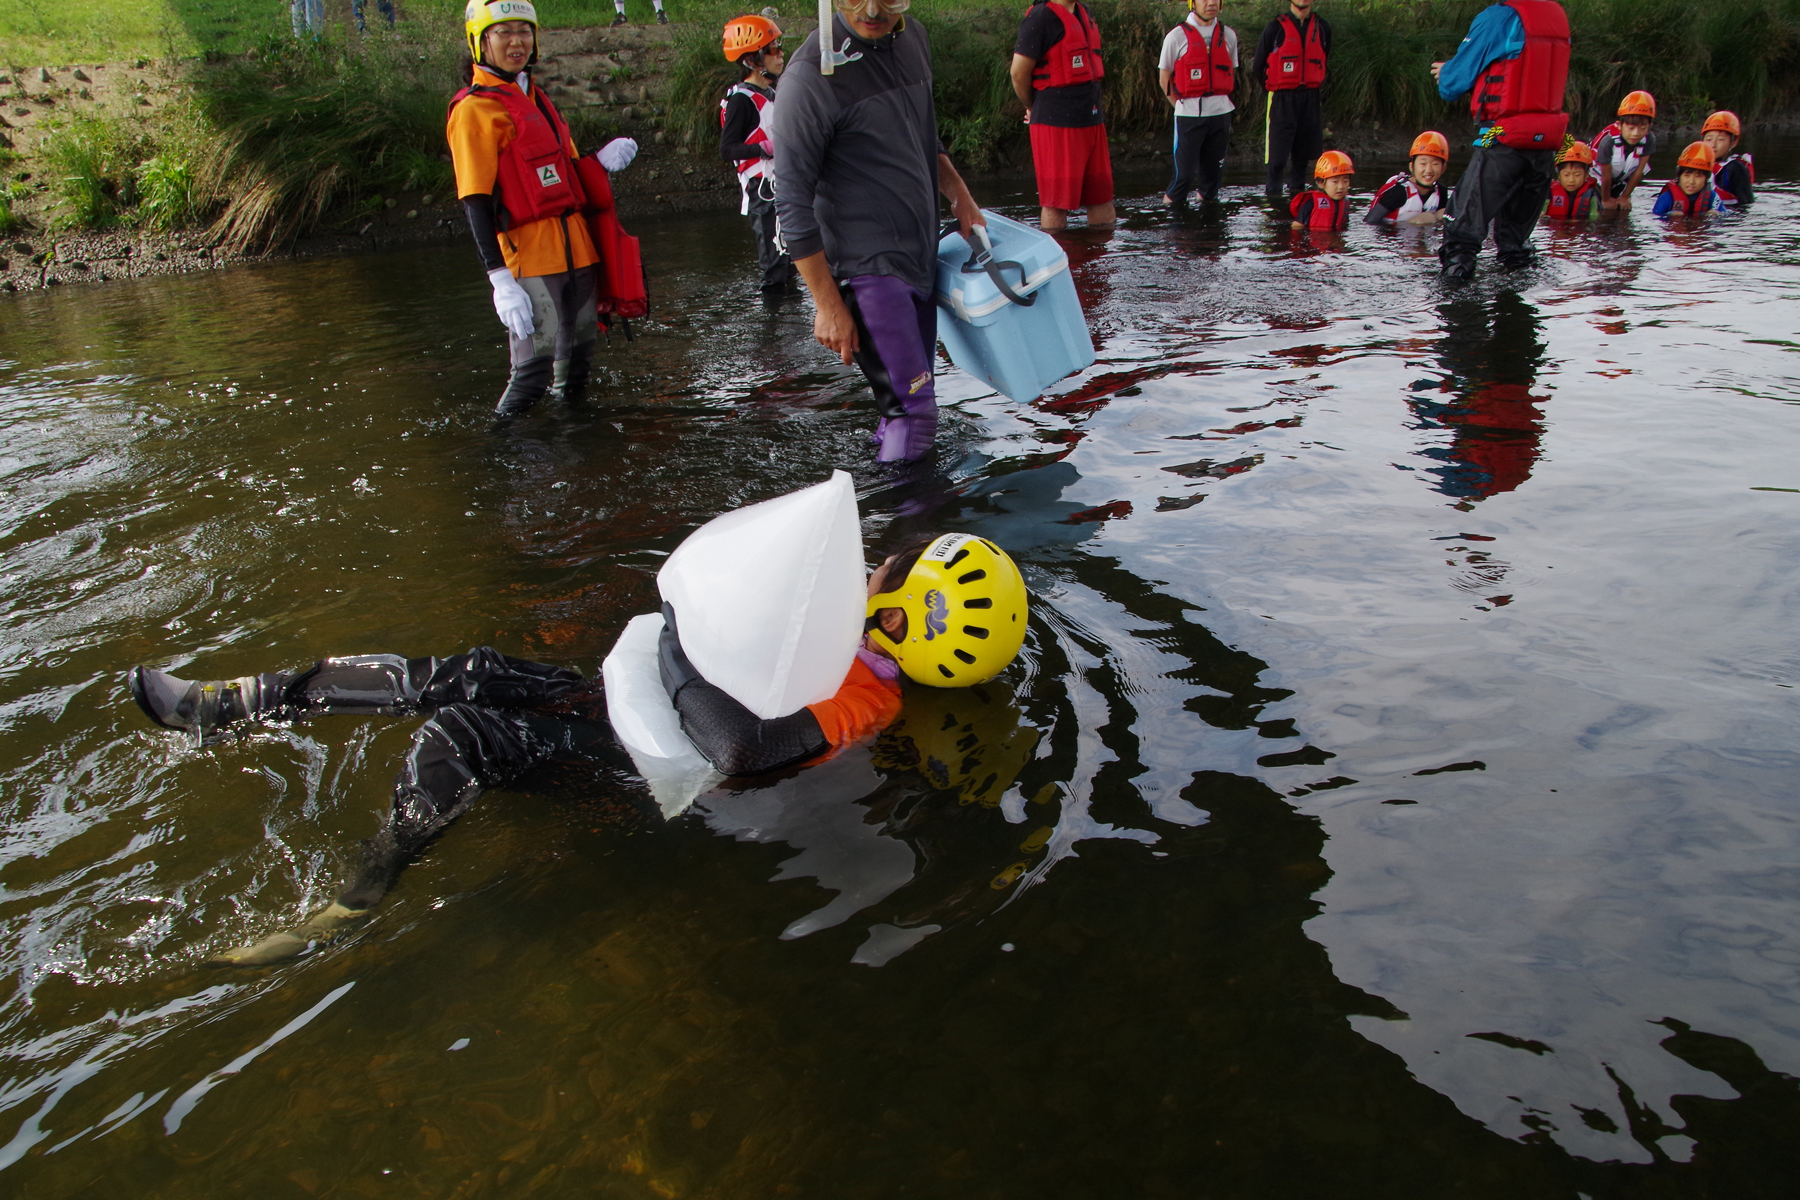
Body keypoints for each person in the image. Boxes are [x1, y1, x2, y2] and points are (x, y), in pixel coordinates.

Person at [128, 534, 1029, 966]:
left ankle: (355, 898)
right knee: (472, 670)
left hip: (653, 764)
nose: (873, 566)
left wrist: (676, 640)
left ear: (901, 612)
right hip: (634, 705)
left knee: (467, 731)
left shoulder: (865, 697)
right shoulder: (861, 640)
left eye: (887, 569)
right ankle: (237, 706)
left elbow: (741, 750)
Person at [768, 0, 987, 464]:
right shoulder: (809, 78)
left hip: (919, 258)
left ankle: (882, 512)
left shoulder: (914, 39)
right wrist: (827, 305)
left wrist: (959, 196)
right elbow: (789, 201)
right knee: (915, 412)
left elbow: (922, 133)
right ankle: (910, 533)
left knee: (903, 406)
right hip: (868, 272)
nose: (872, 9)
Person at [448, 1, 640, 421]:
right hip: (530, 259)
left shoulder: (537, 98)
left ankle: (575, 455)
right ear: (479, 41)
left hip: (579, 251)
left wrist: (598, 161)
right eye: (503, 32)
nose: (517, 40)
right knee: (533, 373)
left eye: (524, 30)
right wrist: (499, 279)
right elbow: (475, 201)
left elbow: (564, 174)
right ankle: (503, 459)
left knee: (578, 365)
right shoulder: (474, 111)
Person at [1431, 0, 1570, 280]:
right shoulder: (1557, 16)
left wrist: (1445, 70)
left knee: (1461, 236)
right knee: (1516, 246)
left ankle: (1456, 310)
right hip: (1545, 147)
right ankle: (1517, 314)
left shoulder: (1499, 17)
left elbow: (1452, 84)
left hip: (1501, 138)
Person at [1011, 0, 1116, 231]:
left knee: (1101, 197)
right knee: (1056, 203)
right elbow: (1018, 73)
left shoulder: (1084, 11)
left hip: (1092, 118)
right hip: (1055, 122)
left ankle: (1101, 262)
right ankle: (1060, 260)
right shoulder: (1040, 17)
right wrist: (1033, 106)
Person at [718, 15, 796, 296]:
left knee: (792, 264)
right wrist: (763, 149)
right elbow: (727, 149)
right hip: (761, 191)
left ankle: (793, 333)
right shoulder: (741, 100)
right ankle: (770, 335)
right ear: (752, 60)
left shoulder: (774, 93)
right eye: (773, 50)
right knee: (774, 269)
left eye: (780, 47)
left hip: (785, 186)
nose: (780, 54)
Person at [1158, 0, 1239, 211]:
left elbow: (1231, 71)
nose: (1211, 3)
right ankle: (1174, 228)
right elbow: (1164, 77)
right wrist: (1180, 106)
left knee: (1212, 179)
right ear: (1192, 3)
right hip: (1189, 115)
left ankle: (1209, 233)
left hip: (1221, 114)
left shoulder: (1228, 35)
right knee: (1183, 178)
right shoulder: (1175, 36)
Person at [1252, 0, 1330, 204]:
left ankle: (1299, 207)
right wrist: (1275, 89)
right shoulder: (1275, 27)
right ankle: (1274, 210)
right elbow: (1258, 66)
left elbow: (1324, 58)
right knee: (1277, 161)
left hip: (1310, 98)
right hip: (1282, 99)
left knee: (1302, 160)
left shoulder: (1322, 27)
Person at [1590, 91, 1656, 214]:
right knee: (1602, 209)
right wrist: (1606, 199)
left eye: (1642, 128)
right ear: (1619, 125)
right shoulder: (1608, 142)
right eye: (1631, 128)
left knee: (1623, 210)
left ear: (1649, 126)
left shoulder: (1649, 139)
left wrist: (1625, 196)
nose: (1636, 134)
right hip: (1597, 179)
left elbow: (1638, 171)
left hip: (1619, 179)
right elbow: (1606, 175)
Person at [1363, 131, 1449, 225]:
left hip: (1423, 235)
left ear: (1443, 168)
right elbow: (1369, 222)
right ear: (1411, 166)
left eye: (1435, 164)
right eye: (1423, 164)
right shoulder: (1399, 192)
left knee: (1445, 213)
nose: (1428, 170)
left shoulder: (1442, 191)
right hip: (1394, 236)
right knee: (1427, 218)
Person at [1652, 142, 1726, 217]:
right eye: (1687, 175)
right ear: (1679, 176)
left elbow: (1725, 214)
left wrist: (1717, 215)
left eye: (1698, 176)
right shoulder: (1666, 198)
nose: (1691, 182)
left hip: (1701, 226)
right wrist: (1669, 216)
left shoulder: (1712, 197)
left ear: (1706, 178)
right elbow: (1655, 217)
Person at [1701, 110, 1754, 206]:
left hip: (1728, 215)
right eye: (1709, 139)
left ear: (1733, 143)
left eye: (1720, 139)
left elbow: (1747, 203)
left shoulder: (1736, 168)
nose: (1713, 145)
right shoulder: (1695, 165)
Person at [1290, 149, 1352, 230]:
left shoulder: (1345, 202)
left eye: (1345, 181)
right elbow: (1296, 226)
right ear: (1320, 182)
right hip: (1315, 240)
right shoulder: (1311, 202)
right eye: (1335, 181)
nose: (1341, 186)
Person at [1542, 140, 1600, 221]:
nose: (1571, 180)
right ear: (1559, 175)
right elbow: (1540, 214)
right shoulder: (1549, 192)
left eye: (1577, 175)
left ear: (1586, 175)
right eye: (1566, 174)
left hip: (1580, 229)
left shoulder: (1592, 193)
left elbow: (1594, 217)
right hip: (1555, 230)